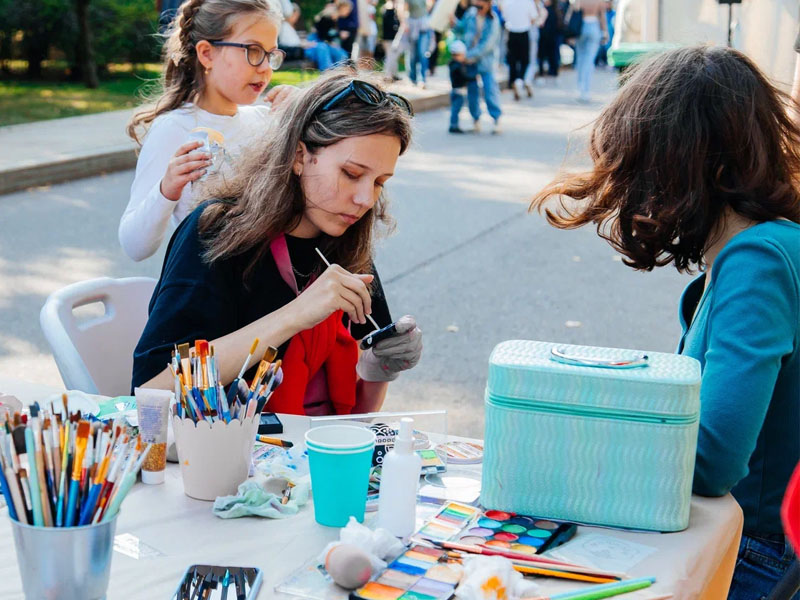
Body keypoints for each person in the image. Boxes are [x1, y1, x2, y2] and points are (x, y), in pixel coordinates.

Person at [530, 46, 800, 599]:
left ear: (673, 164)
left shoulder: (759, 262)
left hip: (756, 552)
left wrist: (574, 435)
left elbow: (711, 460)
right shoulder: (766, 247)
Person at [132, 68, 423, 417]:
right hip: (230, 456)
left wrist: (380, 368)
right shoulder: (217, 232)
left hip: (320, 453)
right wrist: (295, 315)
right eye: (351, 174)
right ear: (300, 156)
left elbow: (357, 415)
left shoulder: (344, 238)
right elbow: (151, 390)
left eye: (379, 182)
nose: (365, 199)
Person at [121, 0, 289, 263]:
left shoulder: (266, 120)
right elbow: (135, 247)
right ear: (207, 54)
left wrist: (304, 110)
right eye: (253, 51)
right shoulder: (174, 129)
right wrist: (167, 189)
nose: (266, 67)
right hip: (210, 292)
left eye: (271, 54)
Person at [452, 0, 503, 134]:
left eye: (481, 4)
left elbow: (486, 46)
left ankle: (496, 119)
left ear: (488, 4)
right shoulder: (470, 14)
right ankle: (476, 120)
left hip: (485, 62)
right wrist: (453, 21)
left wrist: (467, 55)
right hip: (469, 63)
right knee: (472, 92)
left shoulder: (494, 21)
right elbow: (461, 27)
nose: (478, 6)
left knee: (489, 90)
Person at [568, 0, 607, 102]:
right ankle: (586, 90)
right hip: (594, 27)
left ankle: (580, 88)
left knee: (580, 58)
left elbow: (572, 11)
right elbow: (602, 17)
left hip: (581, 27)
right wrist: (605, 32)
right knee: (589, 60)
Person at [500, 0, 538, 100]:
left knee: (513, 60)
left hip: (511, 33)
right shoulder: (528, 2)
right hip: (523, 33)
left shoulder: (507, 2)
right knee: (524, 60)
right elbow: (533, 18)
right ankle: (519, 80)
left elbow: (504, 17)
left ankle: (515, 81)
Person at [447, 40, 475, 133]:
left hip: (455, 90)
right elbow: (464, 76)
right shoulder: (458, 66)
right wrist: (472, 77)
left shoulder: (452, 64)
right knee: (456, 108)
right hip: (459, 91)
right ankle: (453, 125)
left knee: (455, 108)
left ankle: (454, 124)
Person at [404, 0, 432, 87]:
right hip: (412, 27)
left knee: (423, 54)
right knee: (412, 55)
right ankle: (412, 78)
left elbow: (429, 5)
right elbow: (404, 9)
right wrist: (405, 23)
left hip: (424, 27)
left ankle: (422, 79)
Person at [537, 0, 561, 78]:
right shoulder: (545, 9)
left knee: (552, 54)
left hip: (550, 36)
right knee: (543, 55)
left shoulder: (552, 10)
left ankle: (552, 70)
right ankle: (543, 71)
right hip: (545, 36)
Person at [380, 0, 403, 79]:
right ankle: (388, 75)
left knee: (393, 56)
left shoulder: (396, 10)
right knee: (390, 57)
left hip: (394, 37)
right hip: (388, 38)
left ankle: (393, 74)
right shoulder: (386, 9)